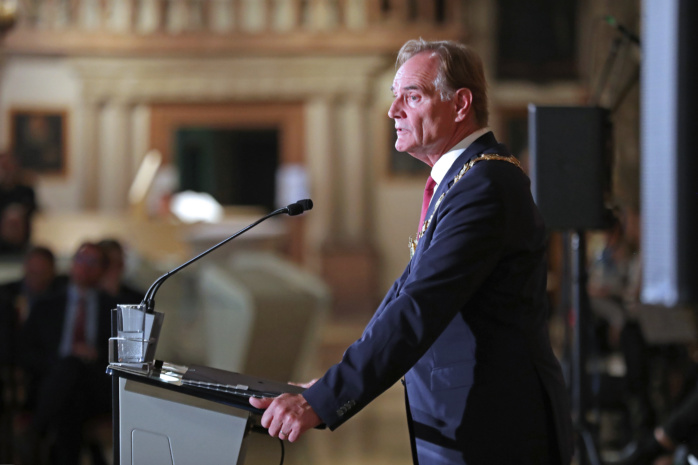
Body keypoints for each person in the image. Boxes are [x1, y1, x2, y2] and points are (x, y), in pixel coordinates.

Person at [250, 39, 573, 464]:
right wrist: (329, 385)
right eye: (394, 96)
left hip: (494, 428)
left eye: (412, 96)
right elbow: (406, 293)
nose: (393, 111)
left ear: (460, 104)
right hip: (464, 421)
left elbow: (421, 306)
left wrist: (326, 400)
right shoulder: (465, 180)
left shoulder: (486, 185)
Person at [17, 242, 117, 465]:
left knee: (73, 379)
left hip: (95, 383)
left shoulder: (113, 308)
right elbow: (25, 353)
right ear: (72, 265)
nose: (84, 267)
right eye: (80, 259)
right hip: (52, 382)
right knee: (70, 386)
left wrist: (93, 356)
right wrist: (64, 359)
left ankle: (36, 431)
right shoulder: (46, 305)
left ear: (102, 269)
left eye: (92, 262)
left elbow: (122, 358)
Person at [97, 238, 144, 304]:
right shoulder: (87, 299)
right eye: (107, 263)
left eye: (118, 263)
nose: (114, 268)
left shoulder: (138, 299)